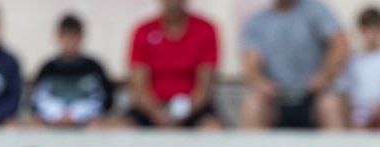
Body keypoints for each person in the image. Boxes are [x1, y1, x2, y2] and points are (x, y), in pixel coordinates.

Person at [240, 0, 349, 129]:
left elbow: (340, 45)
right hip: (276, 100)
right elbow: (251, 64)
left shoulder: (315, 10)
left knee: (330, 105)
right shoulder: (256, 22)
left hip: (312, 97)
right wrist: (262, 83)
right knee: (253, 105)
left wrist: (322, 78)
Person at [127, 0, 221, 128]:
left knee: (213, 128)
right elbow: (138, 88)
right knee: (121, 128)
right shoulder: (143, 31)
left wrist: (180, 115)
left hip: (193, 107)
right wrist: (158, 114)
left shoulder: (205, 29)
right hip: (151, 107)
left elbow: (205, 87)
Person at [31, 14, 112, 128]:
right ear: (59, 38)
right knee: (34, 125)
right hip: (52, 124)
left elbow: (104, 101)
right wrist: (57, 115)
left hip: (86, 125)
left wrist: (76, 115)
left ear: (81, 38)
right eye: (66, 37)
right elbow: (38, 101)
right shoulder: (47, 69)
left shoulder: (94, 68)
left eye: (74, 37)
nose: (70, 42)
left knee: (99, 125)